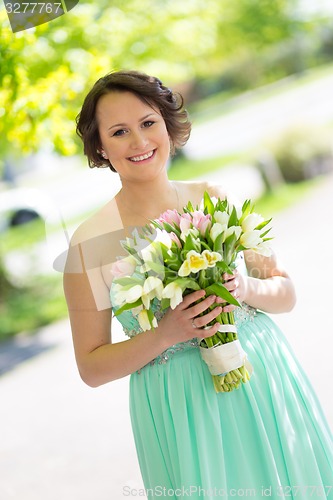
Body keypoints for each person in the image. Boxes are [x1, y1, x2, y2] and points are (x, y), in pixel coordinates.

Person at [63, 70, 333, 499]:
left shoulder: (213, 196)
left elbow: (286, 294)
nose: (139, 142)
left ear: (168, 125)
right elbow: (92, 368)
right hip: (182, 405)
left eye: (148, 123)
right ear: (100, 147)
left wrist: (244, 290)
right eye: (119, 132)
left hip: (262, 372)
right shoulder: (88, 244)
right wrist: (167, 333)